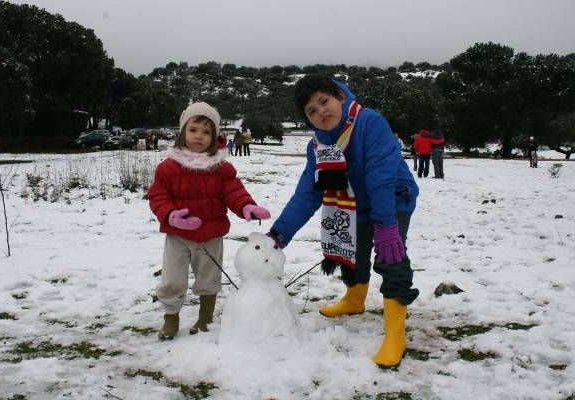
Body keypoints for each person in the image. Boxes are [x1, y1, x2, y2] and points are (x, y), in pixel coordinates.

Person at [266, 74, 419, 369]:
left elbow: (381, 176)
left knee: (391, 256)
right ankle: (355, 298)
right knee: (353, 252)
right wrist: (279, 234)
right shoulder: (318, 147)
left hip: (393, 197)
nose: (321, 112)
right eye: (311, 111)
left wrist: (387, 226)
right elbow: (309, 192)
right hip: (355, 204)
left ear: (339, 95)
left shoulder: (369, 123)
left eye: (324, 102)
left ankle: (395, 333)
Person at [148, 102, 271, 340]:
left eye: (206, 132)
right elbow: (158, 196)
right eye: (193, 130)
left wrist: (246, 206)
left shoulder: (221, 168)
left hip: (210, 235)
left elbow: (234, 192)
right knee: (173, 278)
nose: (199, 136)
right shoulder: (168, 168)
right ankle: (171, 318)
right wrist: (171, 215)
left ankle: (205, 317)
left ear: (215, 137)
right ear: (183, 131)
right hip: (178, 236)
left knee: (209, 277)